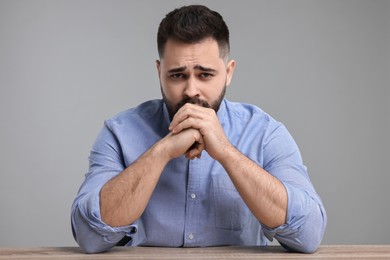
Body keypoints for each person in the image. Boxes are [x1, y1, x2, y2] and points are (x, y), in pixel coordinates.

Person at [71, 5, 327, 254]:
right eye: (177, 75)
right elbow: (89, 236)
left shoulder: (265, 133)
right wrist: (161, 151)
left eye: (205, 75)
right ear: (159, 72)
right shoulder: (119, 133)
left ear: (228, 73)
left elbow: (308, 234)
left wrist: (226, 153)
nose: (191, 90)